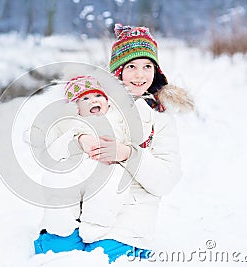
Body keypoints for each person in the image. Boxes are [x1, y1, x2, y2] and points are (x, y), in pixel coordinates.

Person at [75, 24, 195, 262]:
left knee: (96, 258)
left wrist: (128, 154)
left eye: (147, 66)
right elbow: (50, 134)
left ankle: (136, 251)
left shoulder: (160, 116)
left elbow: (166, 179)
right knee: (52, 249)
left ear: (156, 70)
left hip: (131, 214)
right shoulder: (97, 102)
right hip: (86, 209)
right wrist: (80, 138)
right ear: (118, 70)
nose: (140, 75)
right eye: (131, 66)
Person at [33, 75, 152, 263]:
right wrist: (77, 137)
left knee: (109, 189)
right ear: (76, 108)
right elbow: (53, 149)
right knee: (58, 181)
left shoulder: (118, 118)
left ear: (108, 101)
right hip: (78, 166)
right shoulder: (71, 122)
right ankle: (61, 223)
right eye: (85, 98)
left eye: (98, 96)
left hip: (109, 166)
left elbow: (135, 136)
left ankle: (95, 227)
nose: (93, 100)